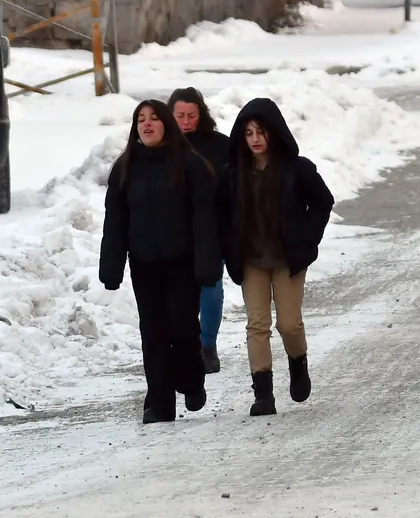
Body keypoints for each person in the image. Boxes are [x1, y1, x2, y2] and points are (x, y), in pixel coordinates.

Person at [100, 100, 221, 424]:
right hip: (145, 266)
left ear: (166, 123)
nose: (147, 124)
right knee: (152, 332)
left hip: (183, 264)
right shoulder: (125, 167)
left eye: (154, 118)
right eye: (141, 119)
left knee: (182, 329)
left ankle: (192, 379)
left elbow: (205, 220)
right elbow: (115, 222)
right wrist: (111, 266)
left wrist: (208, 266)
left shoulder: (191, 166)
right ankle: (159, 403)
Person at [219, 98, 334, 417]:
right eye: (249, 133)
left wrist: (308, 240)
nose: (255, 139)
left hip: (287, 260)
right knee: (257, 324)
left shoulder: (297, 170)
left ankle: (298, 364)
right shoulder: (233, 175)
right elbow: (222, 216)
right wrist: (230, 251)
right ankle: (263, 393)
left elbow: (323, 202)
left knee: (289, 324)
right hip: (252, 260)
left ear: (275, 133)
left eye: (261, 132)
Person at [168, 87, 231, 374]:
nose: (185, 121)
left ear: (201, 115)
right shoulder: (161, 144)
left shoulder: (220, 146)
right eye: (179, 115)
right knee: (177, 293)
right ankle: (182, 346)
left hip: (211, 231)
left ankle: (208, 345)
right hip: (172, 231)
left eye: (191, 115)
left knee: (211, 289)